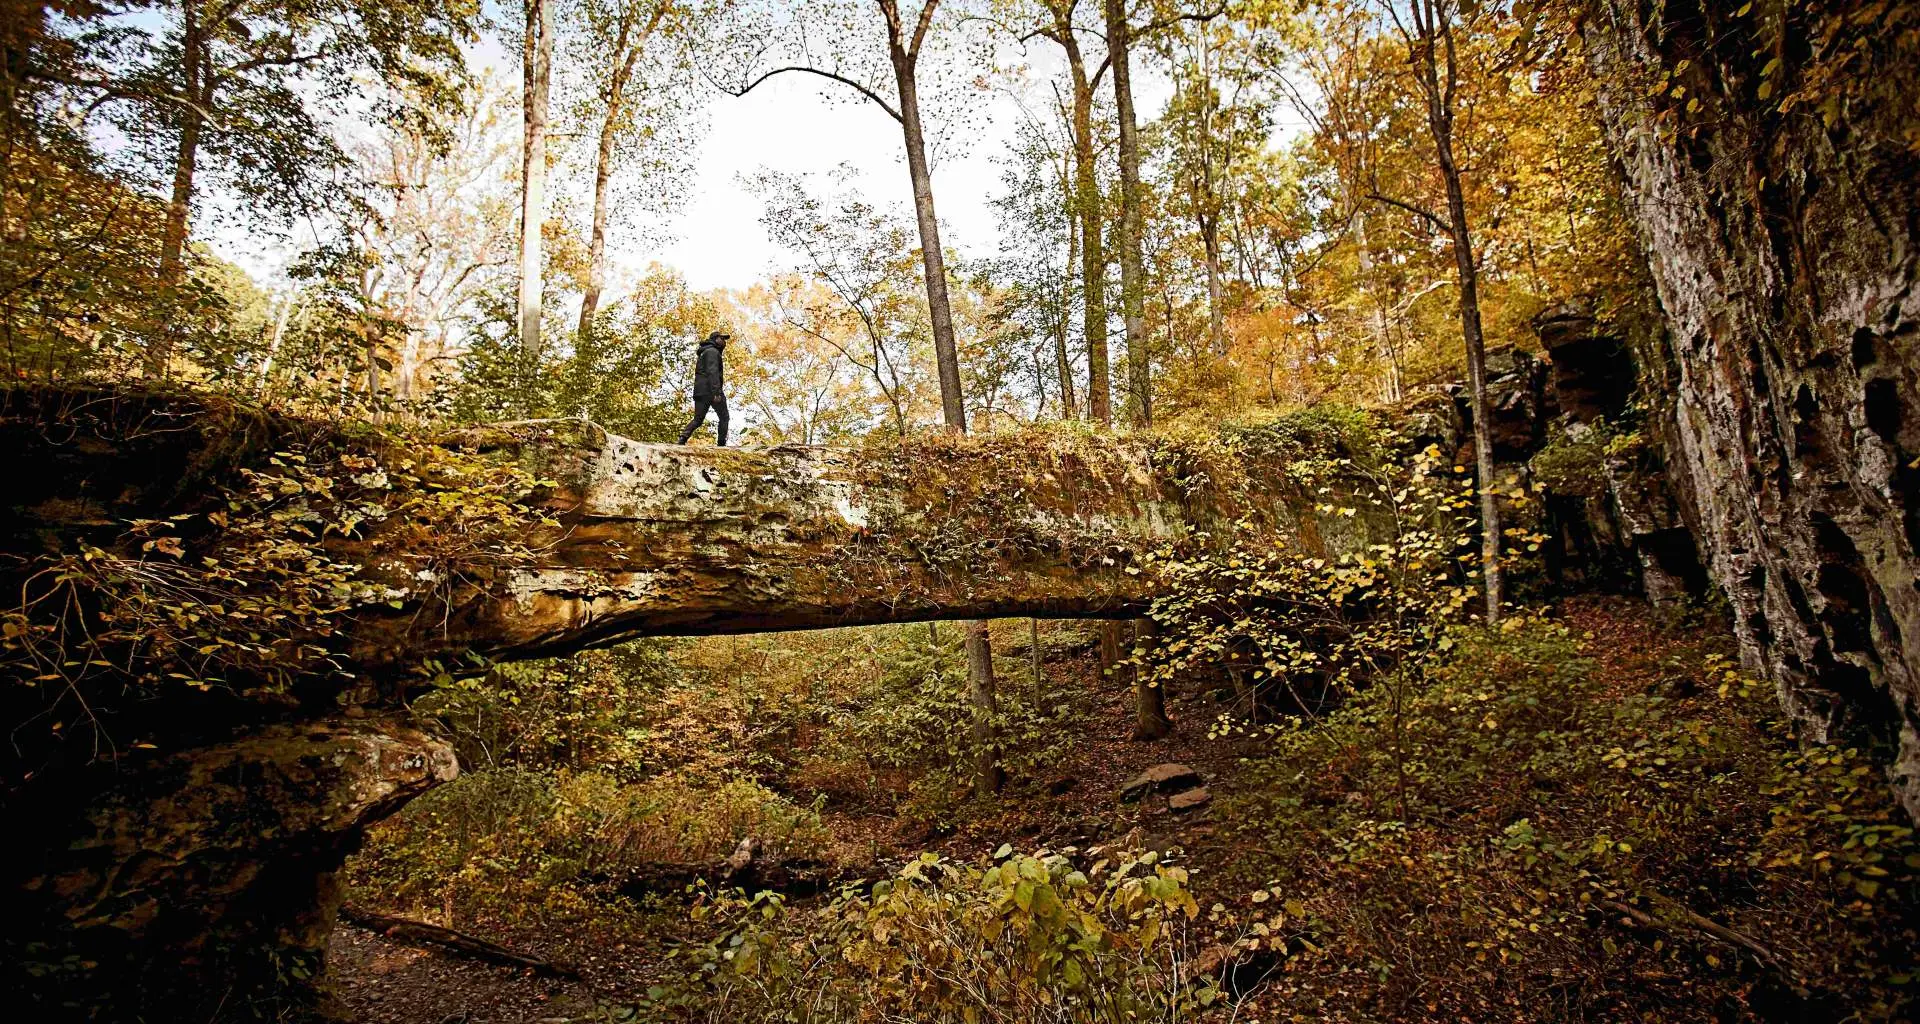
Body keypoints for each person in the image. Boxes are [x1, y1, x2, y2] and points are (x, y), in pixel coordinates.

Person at [678, 330, 730, 446]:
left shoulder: (705, 352)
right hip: (711, 390)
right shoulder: (712, 352)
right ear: (715, 339)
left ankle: (682, 438)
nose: (724, 342)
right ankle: (721, 444)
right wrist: (716, 392)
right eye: (722, 339)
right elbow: (712, 372)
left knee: (698, 419)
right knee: (724, 417)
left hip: (700, 391)